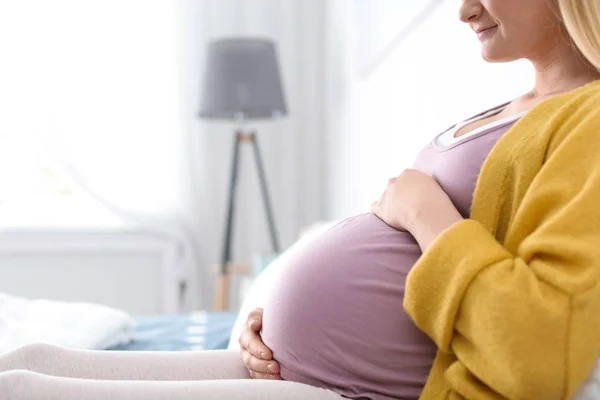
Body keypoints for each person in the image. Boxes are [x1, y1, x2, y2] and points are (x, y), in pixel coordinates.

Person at [1, 0, 599, 399]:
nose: (464, 8)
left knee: (25, 388)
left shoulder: (591, 118)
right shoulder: (515, 105)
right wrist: (264, 318)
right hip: (291, 366)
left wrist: (425, 213)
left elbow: (538, 345)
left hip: (350, 387)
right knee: (30, 361)